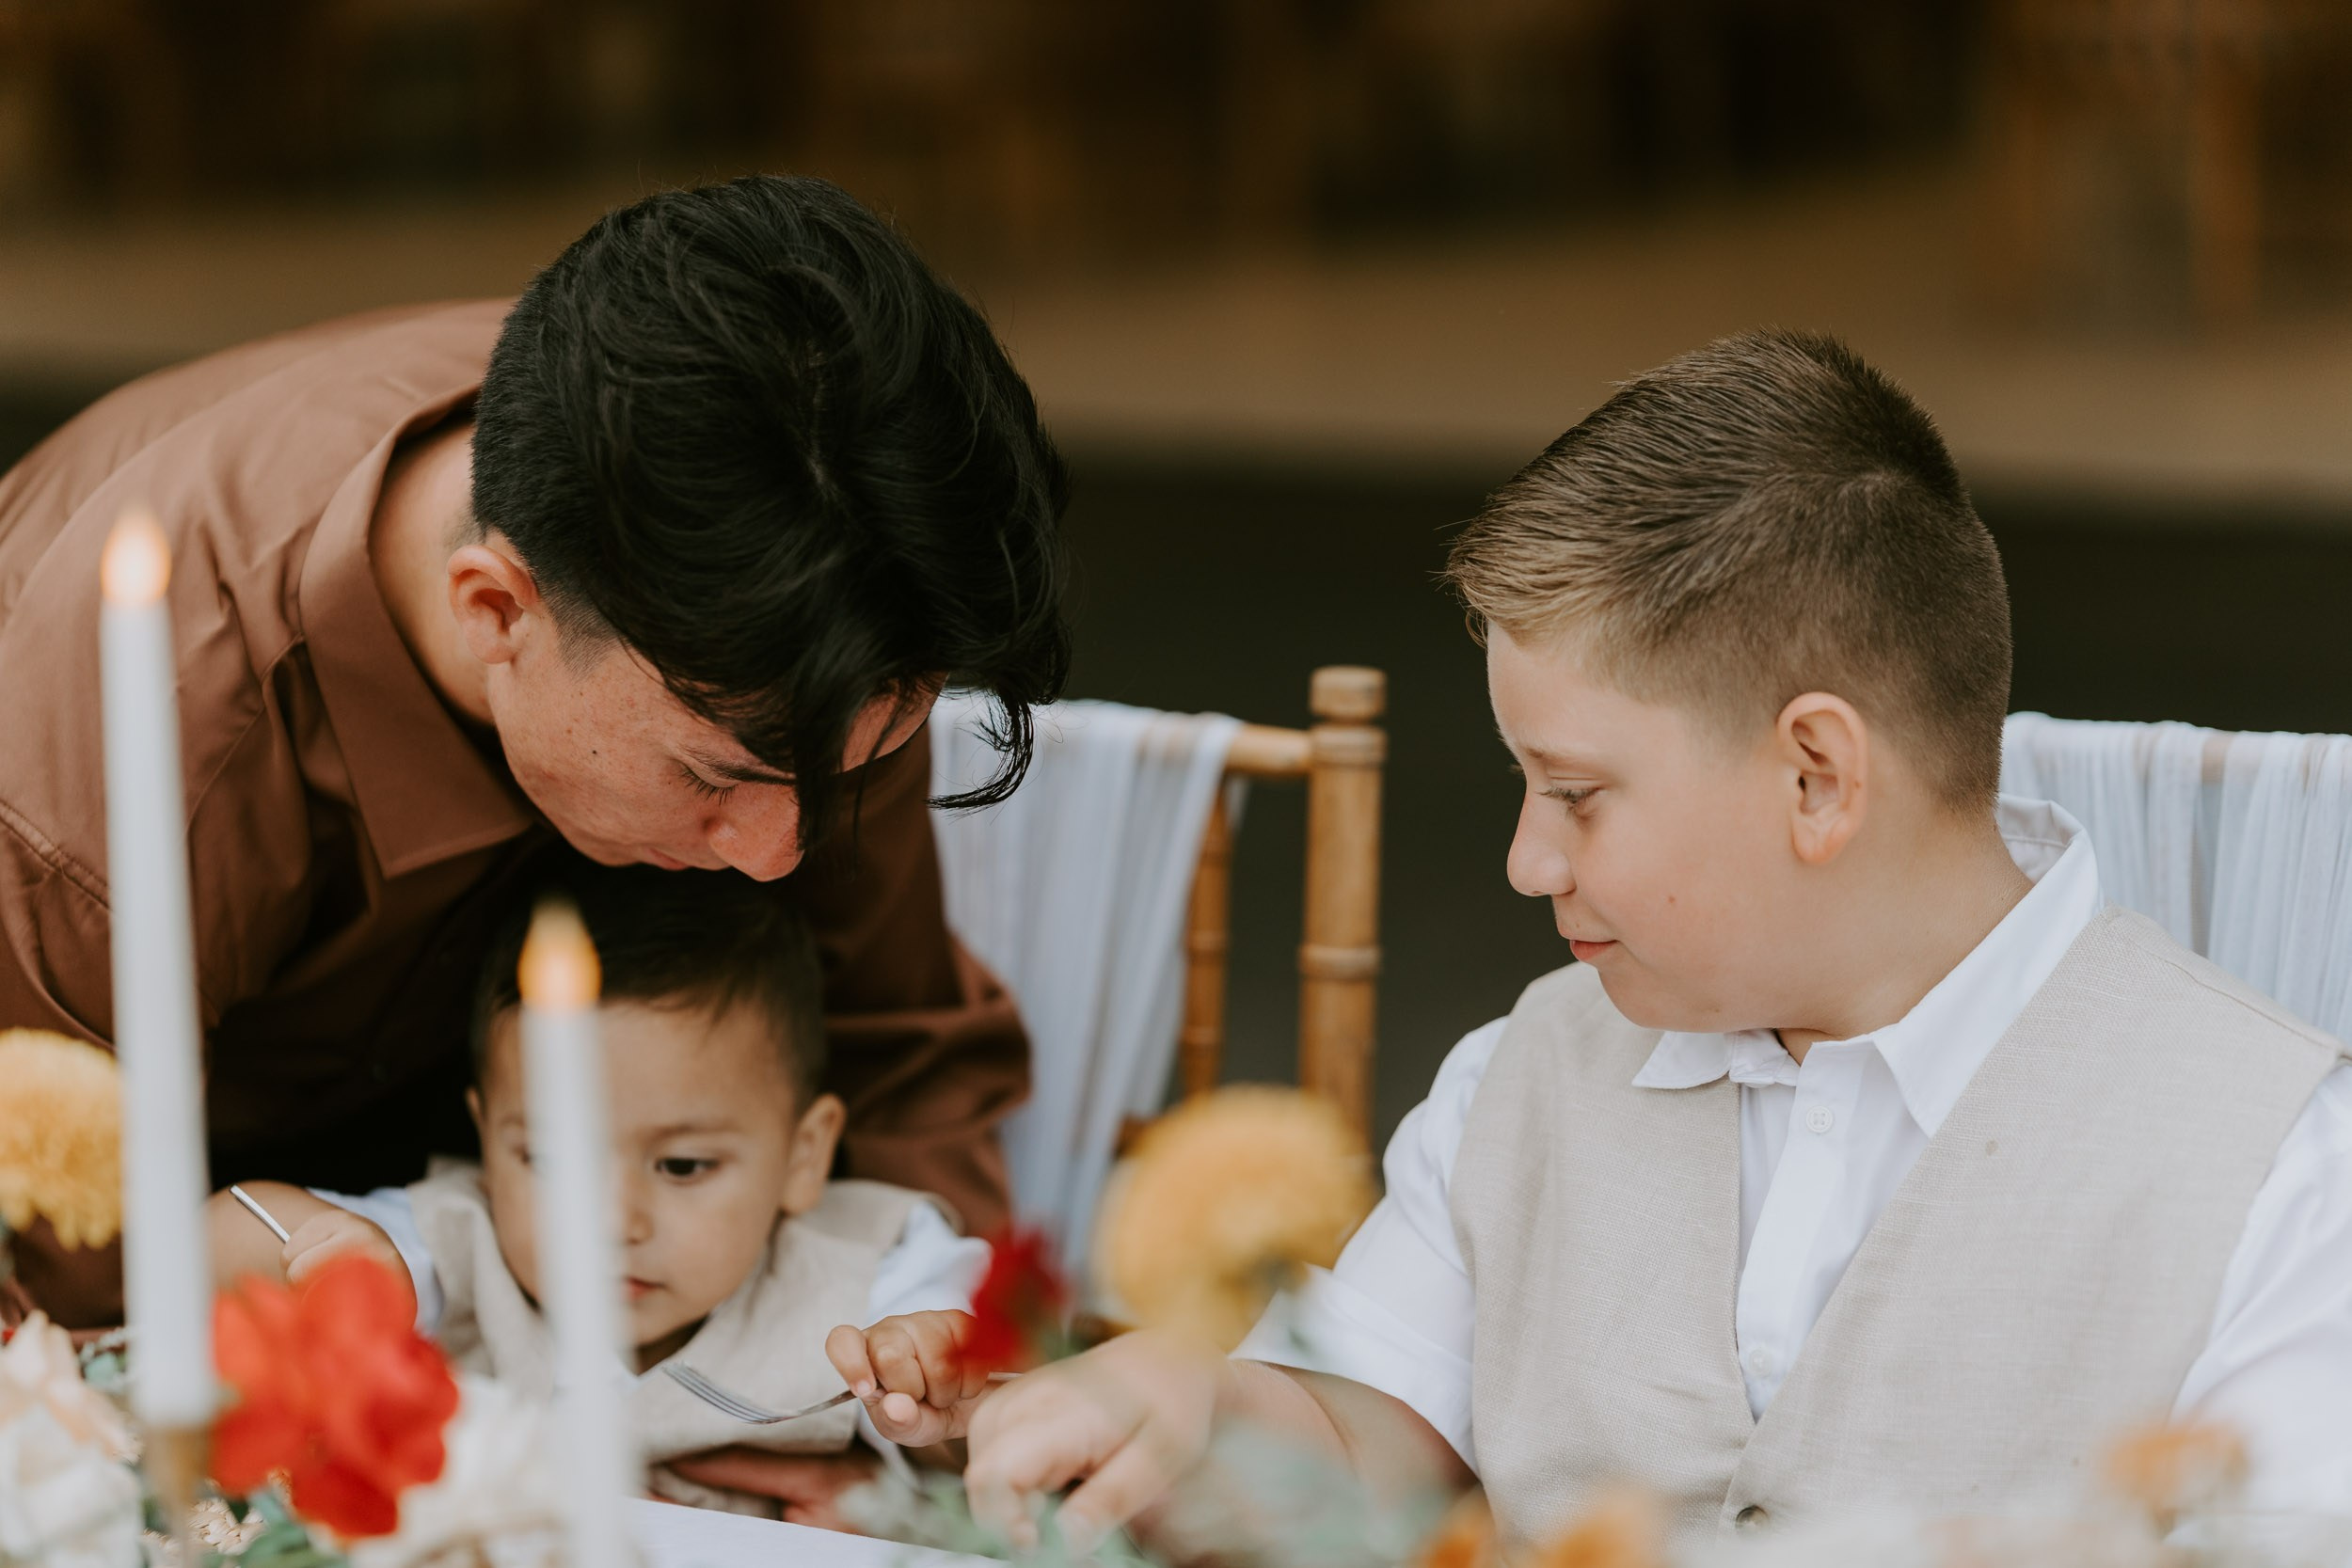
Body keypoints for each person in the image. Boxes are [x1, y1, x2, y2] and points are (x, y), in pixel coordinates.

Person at [883, 331, 2352, 1550]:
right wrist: (1189, 1401)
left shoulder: (2273, 1162)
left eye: (1577, 793)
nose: (1527, 860)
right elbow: (1379, 1425)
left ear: (1818, 777)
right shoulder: (1528, 1073)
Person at [0, 175, 1068, 1326]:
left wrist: (923, 1374)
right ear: (497, 611)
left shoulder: (801, 583)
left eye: (854, 770)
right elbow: (71, 1293)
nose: (777, 863)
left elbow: (894, 1044)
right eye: (715, 778)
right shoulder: (97, 796)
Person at [209, 859, 996, 1527]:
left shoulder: (866, 1272)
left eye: (683, 1166)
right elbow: (221, 1242)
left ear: (803, 1154)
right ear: (488, 1140)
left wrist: (936, 1376)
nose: (614, 1222)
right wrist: (337, 1266)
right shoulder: (455, 1245)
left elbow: (1000, 1404)